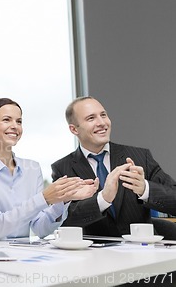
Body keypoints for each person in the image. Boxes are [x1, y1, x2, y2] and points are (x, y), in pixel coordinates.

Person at [0, 98, 96, 241]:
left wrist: (63, 200)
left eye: (19, 121)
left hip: (21, 255)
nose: (15, 126)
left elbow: (40, 228)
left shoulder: (32, 169)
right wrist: (43, 198)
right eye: (6, 120)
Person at [51, 96, 176, 237]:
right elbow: (65, 222)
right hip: (95, 255)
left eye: (103, 115)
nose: (102, 123)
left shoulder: (140, 156)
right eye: (91, 118)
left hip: (142, 252)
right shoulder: (62, 168)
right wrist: (103, 199)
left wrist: (145, 189)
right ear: (74, 129)